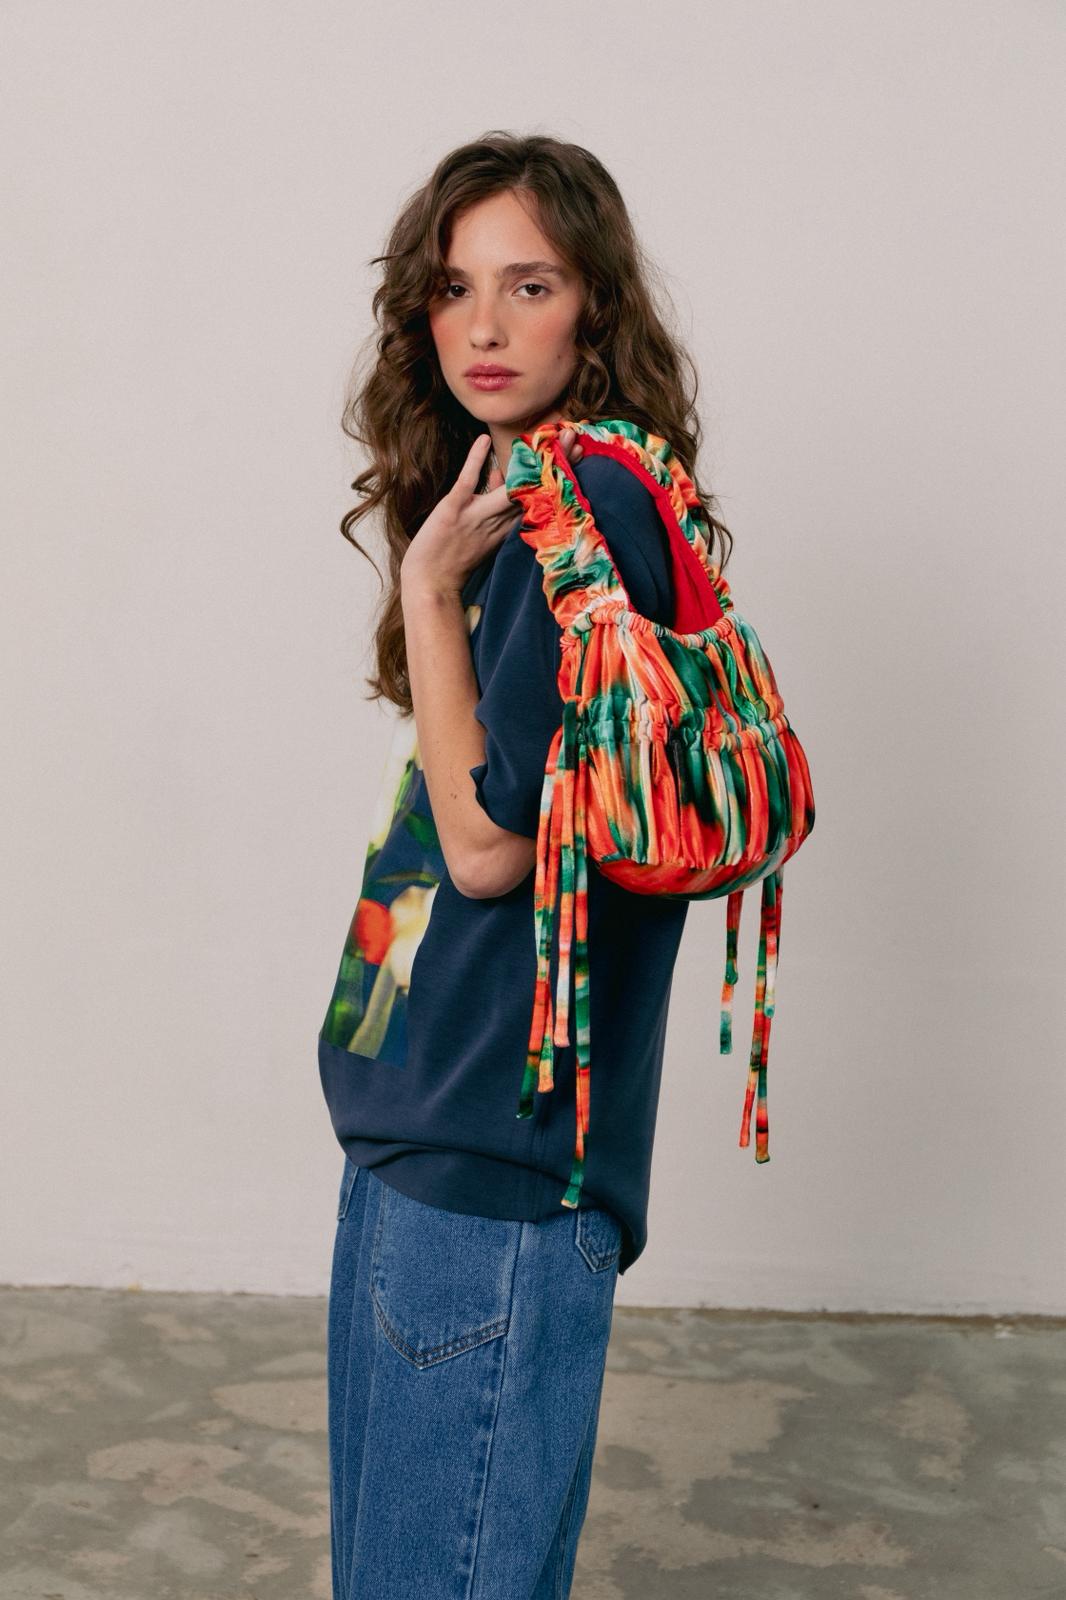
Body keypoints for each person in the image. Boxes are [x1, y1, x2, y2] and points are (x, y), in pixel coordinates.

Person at [320, 131, 734, 1600]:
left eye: (531, 284)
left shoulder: (585, 510)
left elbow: (487, 849)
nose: (483, 326)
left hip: (489, 1163)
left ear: (593, 308)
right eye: (453, 289)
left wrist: (429, 591)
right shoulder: (535, 491)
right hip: (431, 1131)